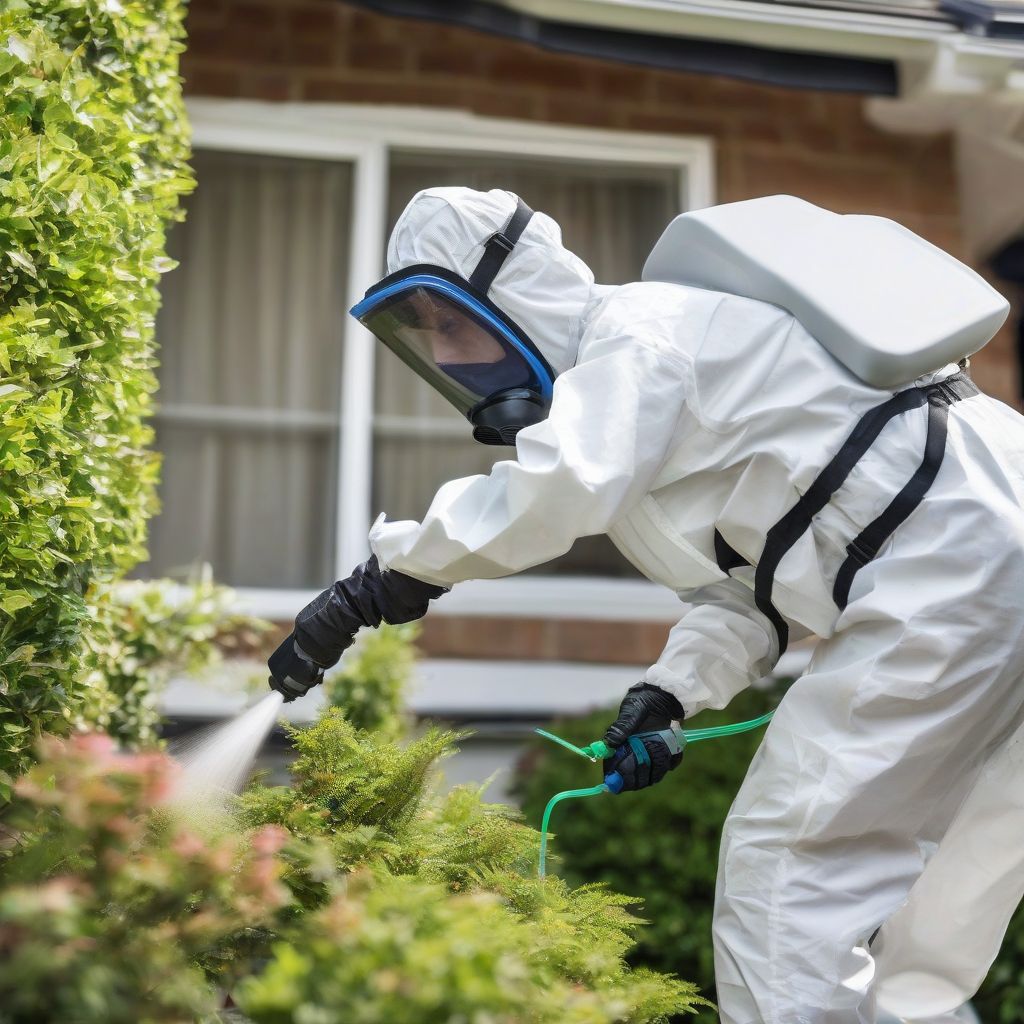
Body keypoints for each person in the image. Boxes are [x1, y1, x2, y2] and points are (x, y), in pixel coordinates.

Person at [267, 187, 1024, 1024]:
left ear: (514, 293)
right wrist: (670, 693)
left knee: (790, 871)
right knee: (945, 891)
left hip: (953, 564)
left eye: (451, 322)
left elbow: (555, 488)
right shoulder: (635, 426)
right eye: (424, 337)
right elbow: (747, 596)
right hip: (981, 553)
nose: (446, 357)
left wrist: (388, 577)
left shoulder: (639, 337)